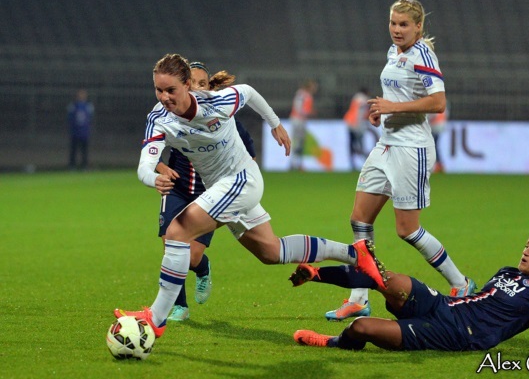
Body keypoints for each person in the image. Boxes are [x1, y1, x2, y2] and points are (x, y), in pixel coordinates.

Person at [114, 54, 387, 339]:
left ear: (187, 86)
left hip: (243, 181)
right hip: (222, 189)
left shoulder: (215, 102)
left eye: (171, 90)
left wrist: (275, 123)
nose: (165, 97)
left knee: (178, 230)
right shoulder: (159, 118)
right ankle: (355, 254)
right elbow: (145, 164)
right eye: (159, 90)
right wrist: (153, 177)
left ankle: (156, 318)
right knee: (272, 252)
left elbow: (248, 92)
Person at [324, 0, 475, 322]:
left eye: (404, 24)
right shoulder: (394, 52)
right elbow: (399, 96)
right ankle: (359, 297)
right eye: (393, 23)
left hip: (412, 150)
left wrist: (393, 108)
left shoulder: (423, 54)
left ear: (418, 27)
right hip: (386, 145)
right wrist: (383, 112)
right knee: (359, 220)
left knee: (407, 230)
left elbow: (437, 102)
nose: (397, 29)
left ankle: (460, 283)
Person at [292, 230, 529, 351]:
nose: (526, 252)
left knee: (361, 327)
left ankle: (339, 342)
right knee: (390, 279)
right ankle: (316, 273)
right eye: (526, 246)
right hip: (445, 306)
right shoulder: (507, 272)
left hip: (461, 334)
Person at [153, 61, 256, 321]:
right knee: (171, 244)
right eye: (193, 83)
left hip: (209, 192)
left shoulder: (222, 116)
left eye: (203, 83)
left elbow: (249, 156)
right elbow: (151, 150)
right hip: (177, 190)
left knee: (193, 255)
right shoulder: (172, 114)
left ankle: (204, 268)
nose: (197, 87)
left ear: (209, 87)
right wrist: (161, 168)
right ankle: (179, 306)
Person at [289, 79, 318, 170]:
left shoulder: (300, 93)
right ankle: (297, 164)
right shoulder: (307, 96)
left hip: (295, 119)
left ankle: (294, 163)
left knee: (296, 142)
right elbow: (303, 109)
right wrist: (311, 112)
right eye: (314, 87)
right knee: (299, 142)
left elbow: (297, 106)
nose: (315, 89)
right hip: (300, 120)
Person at [343, 87, 370, 170]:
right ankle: (366, 164)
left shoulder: (356, 97)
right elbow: (362, 113)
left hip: (349, 122)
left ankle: (352, 163)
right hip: (357, 124)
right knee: (360, 144)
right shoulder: (365, 99)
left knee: (352, 144)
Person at [67, 89, 94, 170]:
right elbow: (70, 119)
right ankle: (72, 166)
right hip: (75, 132)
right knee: (73, 150)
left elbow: (90, 119)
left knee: (84, 150)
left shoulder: (89, 106)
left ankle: (84, 165)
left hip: (84, 132)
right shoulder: (73, 106)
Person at [428, 102, 449, 173]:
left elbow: (433, 116)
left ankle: (438, 164)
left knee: (434, 145)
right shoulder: (443, 101)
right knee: (435, 145)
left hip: (435, 126)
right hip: (440, 126)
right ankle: (439, 164)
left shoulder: (435, 102)